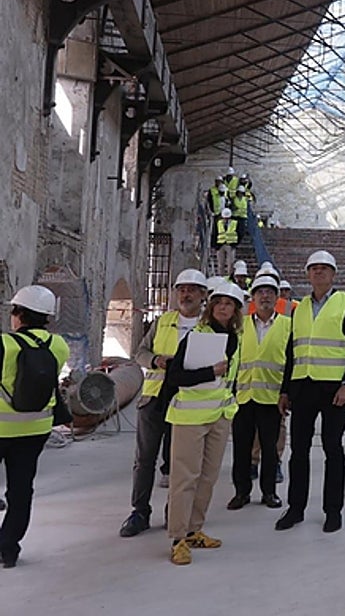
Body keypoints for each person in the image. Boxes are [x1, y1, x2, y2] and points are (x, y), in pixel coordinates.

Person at [276, 250, 345, 534]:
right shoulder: (298, 308)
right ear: (307, 274)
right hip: (303, 387)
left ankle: (333, 510)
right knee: (298, 450)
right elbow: (292, 351)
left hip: (334, 389)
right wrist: (285, 390)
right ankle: (296, 508)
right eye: (314, 269)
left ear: (333, 274)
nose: (319, 273)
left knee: (332, 449)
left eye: (324, 269)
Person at [120, 269, 207, 538]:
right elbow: (140, 353)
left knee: (179, 462)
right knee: (144, 459)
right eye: (181, 289)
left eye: (192, 289)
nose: (186, 294)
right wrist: (155, 360)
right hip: (155, 399)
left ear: (203, 295)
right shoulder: (163, 322)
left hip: (187, 402)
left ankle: (175, 512)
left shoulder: (208, 326)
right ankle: (139, 512)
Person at [162, 280, 242, 566]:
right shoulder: (197, 335)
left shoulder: (234, 337)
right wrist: (210, 371)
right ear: (211, 307)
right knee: (185, 479)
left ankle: (195, 530)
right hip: (190, 417)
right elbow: (175, 377)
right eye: (219, 302)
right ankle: (178, 538)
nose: (223, 307)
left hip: (219, 417)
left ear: (236, 310)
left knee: (208, 477)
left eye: (229, 304)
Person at [0, 286, 69, 568]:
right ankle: (9, 548)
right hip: (36, 430)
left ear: (18, 313)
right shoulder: (59, 345)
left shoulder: (6, 345)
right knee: (20, 490)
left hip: (2, 428)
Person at [229, 275, 289, 510]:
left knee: (270, 448)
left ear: (276, 297)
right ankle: (241, 492)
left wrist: (287, 393)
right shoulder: (240, 325)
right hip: (243, 397)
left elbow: (291, 362)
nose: (265, 296)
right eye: (260, 292)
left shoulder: (287, 325)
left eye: (269, 292)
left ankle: (269, 493)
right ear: (252, 298)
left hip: (272, 398)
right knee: (241, 449)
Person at [213, 208, 239, 277]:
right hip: (220, 245)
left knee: (230, 264)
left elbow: (239, 233)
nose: (226, 219)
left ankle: (229, 278)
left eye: (227, 218)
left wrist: (235, 243)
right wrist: (215, 245)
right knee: (220, 264)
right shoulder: (219, 223)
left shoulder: (234, 223)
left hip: (230, 245)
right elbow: (215, 233)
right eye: (225, 218)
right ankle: (221, 278)